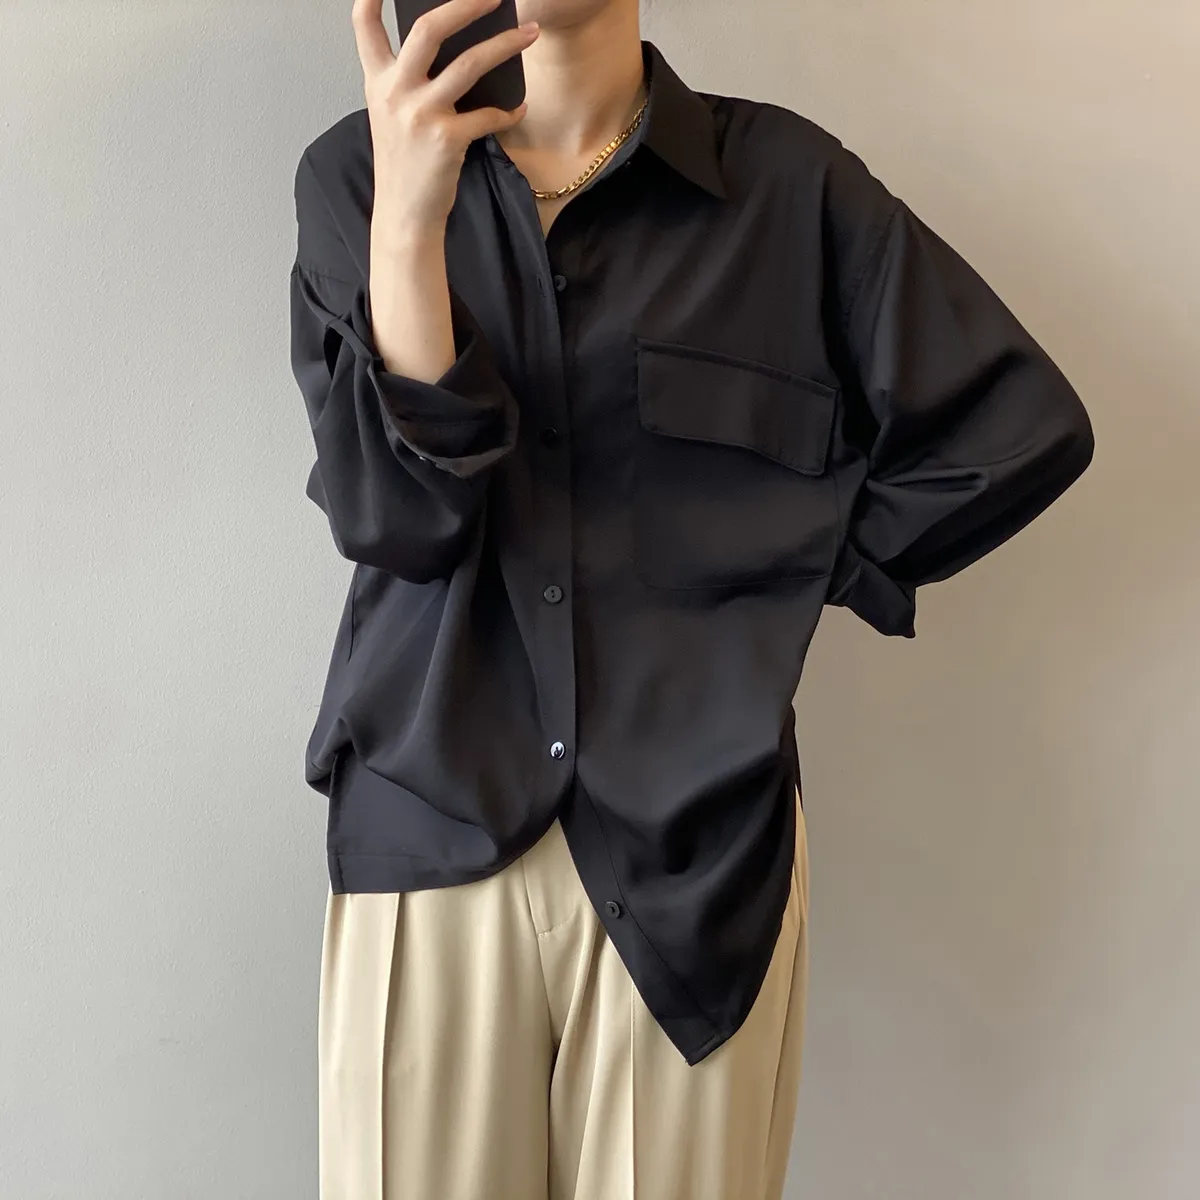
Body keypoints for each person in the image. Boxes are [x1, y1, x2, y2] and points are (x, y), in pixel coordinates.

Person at [287, 0, 1095, 1196]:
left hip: (698, 864)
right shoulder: (357, 175)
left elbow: (1015, 430)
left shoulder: (790, 192)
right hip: (433, 827)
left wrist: (788, 568)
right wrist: (410, 218)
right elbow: (405, 523)